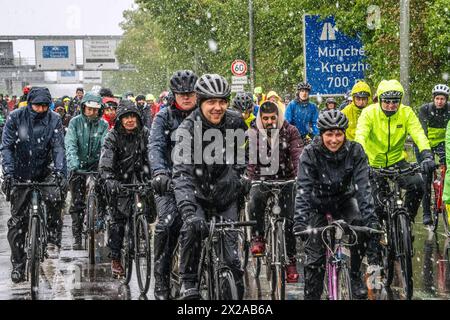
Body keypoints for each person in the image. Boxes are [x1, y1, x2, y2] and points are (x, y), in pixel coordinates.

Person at [172, 74, 247, 299]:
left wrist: (241, 177)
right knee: (192, 230)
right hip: (197, 195)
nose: (217, 107)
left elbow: (242, 157)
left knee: (233, 262)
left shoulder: (235, 122)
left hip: (226, 197)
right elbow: (182, 173)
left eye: (222, 101)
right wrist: (188, 210)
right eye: (211, 102)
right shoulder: (187, 128)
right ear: (200, 102)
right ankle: (188, 281)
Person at [294, 109, 380, 299]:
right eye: (329, 134)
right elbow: (303, 189)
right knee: (314, 262)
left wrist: (371, 221)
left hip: (344, 201)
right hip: (318, 205)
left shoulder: (355, 150)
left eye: (339, 134)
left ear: (344, 134)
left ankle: (355, 273)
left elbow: (364, 188)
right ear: (321, 134)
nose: (334, 139)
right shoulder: (310, 153)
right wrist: (300, 222)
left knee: (361, 227)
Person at [1, 87, 67, 283]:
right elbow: (6, 147)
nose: (40, 109)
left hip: (44, 171)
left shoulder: (54, 119)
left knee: (56, 198)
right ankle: (19, 265)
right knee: (17, 222)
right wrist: (10, 173)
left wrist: (60, 173)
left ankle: (53, 235)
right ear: (29, 103)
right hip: (20, 174)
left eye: (45, 106)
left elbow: (58, 148)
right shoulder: (15, 117)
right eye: (37, 105)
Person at [355, 79, 435, 224]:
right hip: (373, 163)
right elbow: (360, 136)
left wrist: (427, 155)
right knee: (377, 206)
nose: (391, 105)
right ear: (379, 100)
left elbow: (418, 134)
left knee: (418, 185)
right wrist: (361, 159)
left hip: (397, 161)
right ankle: (380, 233)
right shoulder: (369, 113)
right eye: (387, 101)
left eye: (395, 101)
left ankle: (406, 220)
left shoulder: (406, 112)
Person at [150, 69, 198, 300]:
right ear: (174, 95)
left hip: (200, 182)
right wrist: (160, 172)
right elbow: (156, 146)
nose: (186, 97)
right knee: (167, 226)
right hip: (169, 183)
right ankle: (161, 280)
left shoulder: (205, 115)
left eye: (190, 92)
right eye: (181, 93)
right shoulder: (163, 117)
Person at [246, 101, 303, 283]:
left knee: (289, 220)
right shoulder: (253, 132)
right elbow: (251, 160)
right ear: (260, 119)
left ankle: (291, 261)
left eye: (273, 118)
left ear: (279, 117)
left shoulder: (290, 130)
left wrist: (301, 177)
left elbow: (297, 155)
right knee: (255, 200)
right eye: (266, 118)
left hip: (286, 178)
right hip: (261, 178)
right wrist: (249, 178)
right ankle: (258, 237)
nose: (270, 121)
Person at [99, 100, 155, 277]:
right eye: (126, 117)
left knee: (148, 211)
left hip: (141, 179)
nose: (130, 120)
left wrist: (155, 176)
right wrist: (109, 179)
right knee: (118, 222)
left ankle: (142, 233)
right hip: (119, 181)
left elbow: (153, 156)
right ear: (120, 120)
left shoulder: (145, 134)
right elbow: (106, 161)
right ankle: (115, 258)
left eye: (133, 116)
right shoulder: (112, 136)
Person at [65, 92, 109, 249]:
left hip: (97, 166)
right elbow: (70, 144)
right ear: (83, 108)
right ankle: (77, 235)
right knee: (77, 202)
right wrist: (74, 163)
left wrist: (104, 165)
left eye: (95, 110)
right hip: (78, 167)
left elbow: (106, 145)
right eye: (89, 109)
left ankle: (102, 218)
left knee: (104, 192)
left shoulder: (103, 125)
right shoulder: (75, 123)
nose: (91, 112)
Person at [418, 84, 450, 225]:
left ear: (446, 100)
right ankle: (426, 213)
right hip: (426, 143)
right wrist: (428, 155)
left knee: (447, 170)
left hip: (443, 143)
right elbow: (422, 131)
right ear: (433, 98)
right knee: (426, 176)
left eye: (442, 99)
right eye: (437, 98)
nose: (439, 101)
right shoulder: (425, 110)